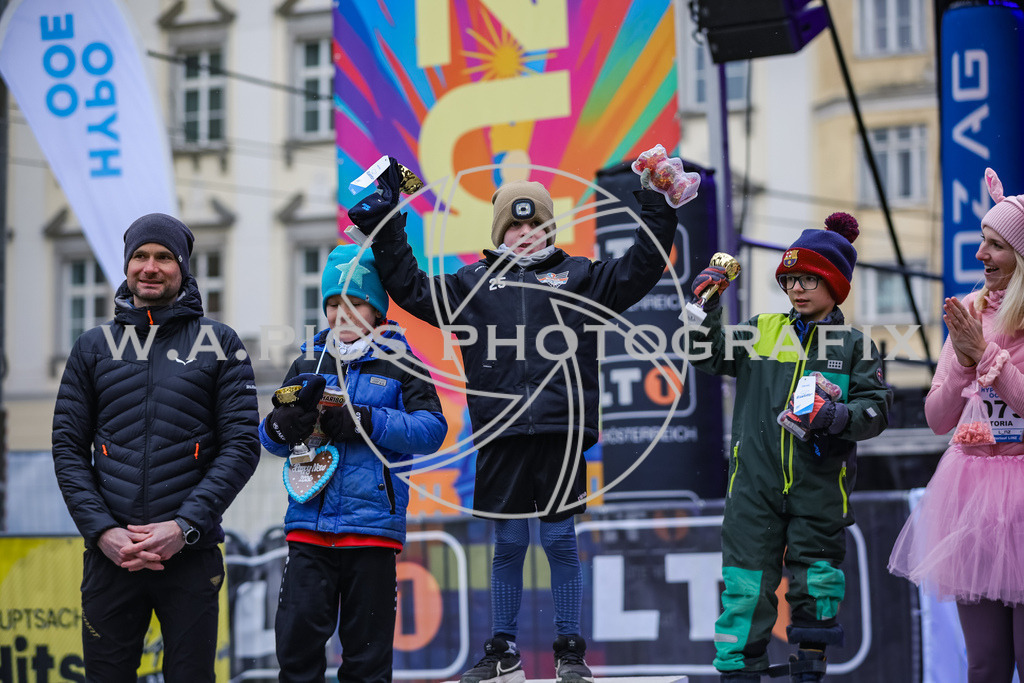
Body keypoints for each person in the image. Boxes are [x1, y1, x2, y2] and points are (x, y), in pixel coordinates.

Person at [349, 157, 680, 683]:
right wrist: (388, 224)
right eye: (514, 225)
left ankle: (570, 651)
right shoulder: (471, 282)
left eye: (535, 224)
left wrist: (658, 205)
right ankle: (502, 650)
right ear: (499, 232)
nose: (525, 233)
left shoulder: (581, 276)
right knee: (508, 543)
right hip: (500, 430)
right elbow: (410, 287)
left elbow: (641, 267)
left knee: (559, 539)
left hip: (561, 429)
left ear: (549, 228)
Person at [51, 212, 260, 681]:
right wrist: (104, 532)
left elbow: (243, 445)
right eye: (140, 256)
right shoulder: (92, 347)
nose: (150, 267)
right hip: (112, 558)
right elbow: (67, 449)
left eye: (164, 257)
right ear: (127, 265)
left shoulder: (220, 343)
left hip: (191, 555)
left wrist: (183, 527)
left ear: (182, 268)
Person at [689, 213, 891, 682]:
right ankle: (739, 673)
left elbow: (877, 412)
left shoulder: (854, 346)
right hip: (752, 489)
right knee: (744, 587)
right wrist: (704, 305)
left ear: (835, 285)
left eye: (809, 279)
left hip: (820, 488)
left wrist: (836, 416)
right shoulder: (762, 329)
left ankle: (810, 670)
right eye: (789, 279)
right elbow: (705, 354)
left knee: (816, 583)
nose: (797, 289)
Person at [259, 243, 447, 683]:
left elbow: (432, 430)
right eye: (332, 304)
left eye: (355, 304)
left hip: (371, 531)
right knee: (296, 652)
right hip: (309, 526)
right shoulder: (308, 361)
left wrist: (366, 421)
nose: (341, 314)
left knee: (367, 660)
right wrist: (280, 427)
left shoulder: (402, 362)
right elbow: (270, 440)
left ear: (376, 309)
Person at [889, 167, 1024, 683]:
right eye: (982, 241)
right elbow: (936, 418)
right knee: (985, 665)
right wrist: (966, 363)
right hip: (970, 496)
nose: (981, 254)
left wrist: (984, 354)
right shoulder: (969, 311)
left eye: (996, 245)